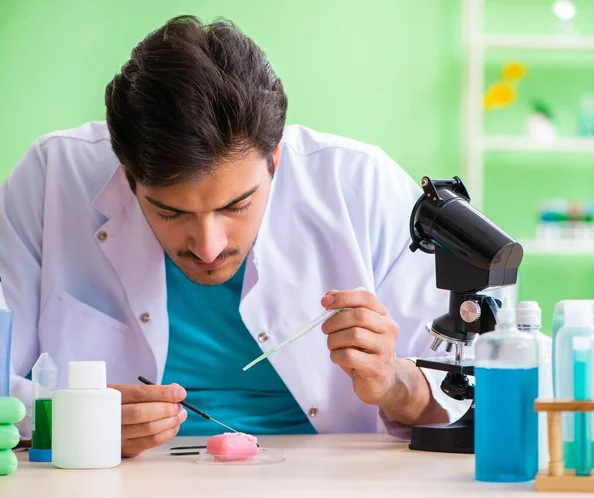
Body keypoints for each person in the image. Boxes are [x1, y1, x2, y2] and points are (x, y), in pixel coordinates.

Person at [0, 15, 468, 458]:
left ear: (275, 161)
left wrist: (393, 383)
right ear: (127, 177)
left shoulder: (362, 187)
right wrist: (74, 422)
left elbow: (468, 401)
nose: (208, 246)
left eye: (236, 206)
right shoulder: (52, 180)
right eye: (169, 211)